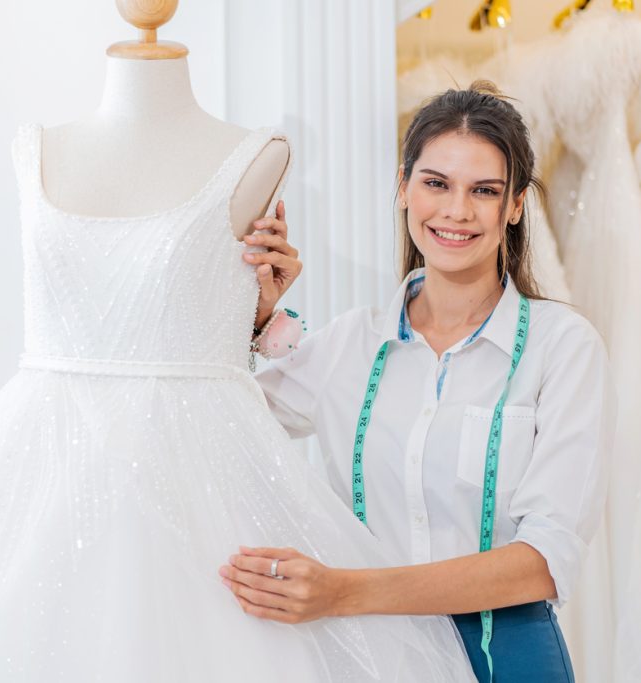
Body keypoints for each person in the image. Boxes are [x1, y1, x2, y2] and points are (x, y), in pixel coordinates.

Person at [220, 81, 616, 682]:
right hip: (370, 662)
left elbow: (542, 561)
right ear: (403, 188)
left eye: (483, 191)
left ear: (514, 205)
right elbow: (222, 415)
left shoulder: (563, 348)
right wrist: (253, 316)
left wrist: (341, 592)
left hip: (504, 663)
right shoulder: (350, 344)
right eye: (436, 183)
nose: (457, 211)